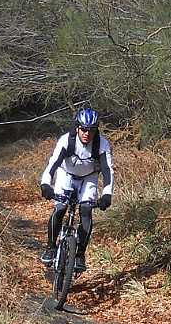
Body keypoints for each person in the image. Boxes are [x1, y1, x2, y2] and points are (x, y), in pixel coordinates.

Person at [39, 108, 115, 272]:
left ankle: (79, 255)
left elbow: (107, 170)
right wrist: (46, 184)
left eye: (92, 130)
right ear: (77, 128)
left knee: (86, 210)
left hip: (89, 177)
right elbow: (53, 164)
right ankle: (51, 247)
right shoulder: (67, 140)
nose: (87, 133)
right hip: (66, 174)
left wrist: (107, 195)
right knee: (60, 208)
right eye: (84, 129)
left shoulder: (102, 144)